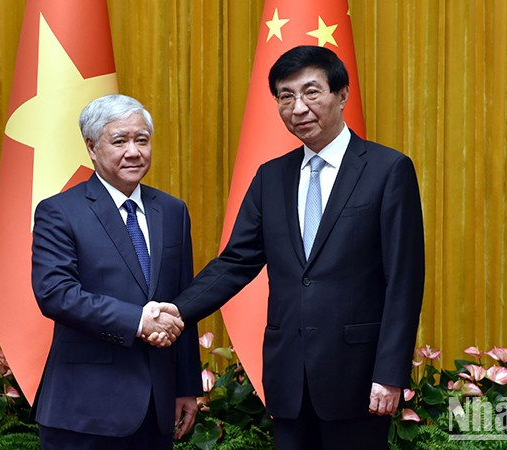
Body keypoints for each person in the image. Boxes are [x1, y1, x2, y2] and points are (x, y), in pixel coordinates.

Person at [164, 46, 425, 449]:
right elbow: (236, 262)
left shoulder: (387, 170)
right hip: (289, 379)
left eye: (311, 92)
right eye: (286, 97)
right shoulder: (272, 177)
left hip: (358, 377)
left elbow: (403, 281)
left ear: (342, 94)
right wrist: (176, 311)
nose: (298, 107)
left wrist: (389, 373)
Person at [30, 94, 201, 449]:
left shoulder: (172, 211)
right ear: (92, 148)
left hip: (157, 408)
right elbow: (56, 294)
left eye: (142, 139)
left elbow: (183, 301)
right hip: (84, 410)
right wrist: (138, 321)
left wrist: (186, 386)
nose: (134, 151)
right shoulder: (60, 212)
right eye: (119, 141)